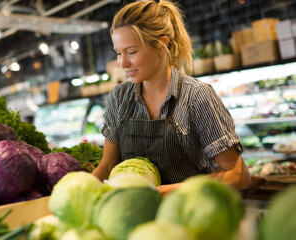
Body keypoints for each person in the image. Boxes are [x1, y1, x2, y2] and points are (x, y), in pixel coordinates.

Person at [92, 0, 251, 195]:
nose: (123, 63)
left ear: (161, 45)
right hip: (138, 218)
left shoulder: (196, 96)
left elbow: (238, 175)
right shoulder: (119, 97)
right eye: (118, 53)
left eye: (131, 52)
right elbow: (107, 167)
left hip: (190, 217)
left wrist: (162, 192)